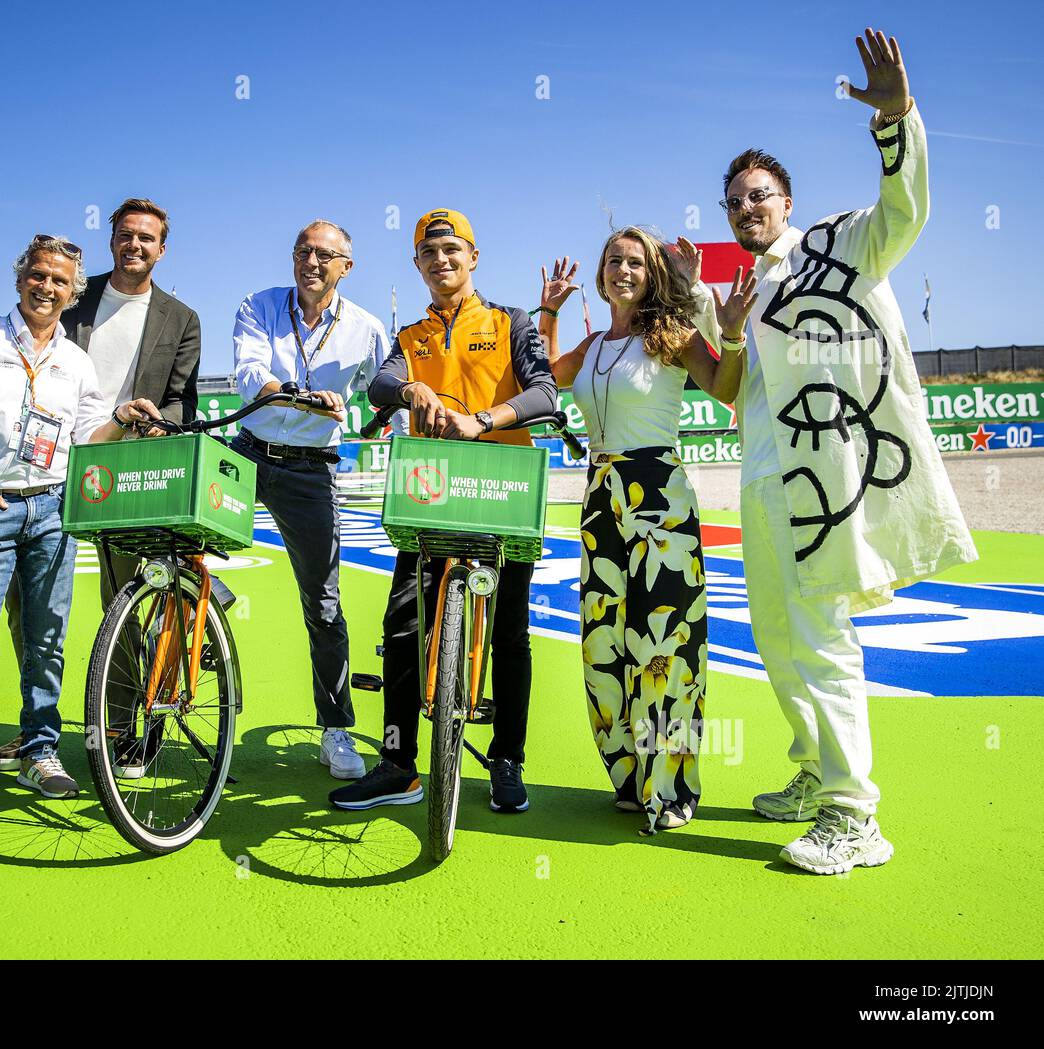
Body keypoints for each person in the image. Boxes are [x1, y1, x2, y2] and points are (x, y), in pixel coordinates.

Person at [696, 28, 976, 873]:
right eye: (736, 200)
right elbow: (730, 390)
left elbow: (906, 210)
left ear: (786, 201)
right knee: (777, 637)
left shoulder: (839, 243)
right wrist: (730, 333)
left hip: (831, 487)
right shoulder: (735, 291)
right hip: (761, 481)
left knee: (822, 639)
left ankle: (856, 818)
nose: (749, 208)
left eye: (761, 195)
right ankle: (816, 770)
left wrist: (896, 123)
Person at [0, 233, 162, 822]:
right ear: (21, 278)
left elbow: (89, 433)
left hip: (52, 511)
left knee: (47, 642)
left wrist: (122, 417)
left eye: (59, 281)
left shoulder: (75, 360)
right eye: (38, 275)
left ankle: (40, 748)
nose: (46, 287)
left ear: (74, 293)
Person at [330, 208, 558, 814]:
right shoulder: (411, 336)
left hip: (503, 489)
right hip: (429, 493)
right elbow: (378, 387)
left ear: (473, 257)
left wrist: (481, 420)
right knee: (402, 625)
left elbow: (543, 393)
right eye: (430, 254)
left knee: (510, 634)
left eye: (453, 250)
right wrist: (413, 389)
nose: (442, 261)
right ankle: (398, 766)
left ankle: (508, 760)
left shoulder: (511, 322)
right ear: (418, 265)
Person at [536, 230, 756, 834]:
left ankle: (674, 786)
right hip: (600, 497)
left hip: (659, 496)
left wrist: (731, 332)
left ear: (652, 273)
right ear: (602, 273)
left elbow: (725, 386)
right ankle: (631, 778)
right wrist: (549, 310)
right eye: (614, 261)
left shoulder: (672, 336)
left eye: (635, 262)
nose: (622, 270)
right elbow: (544, 384)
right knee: (605, 642)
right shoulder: (592, 345)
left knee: (666, 647)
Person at [0, 198, 202, 776]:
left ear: (162, 248)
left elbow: (183, 399)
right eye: (126, 235)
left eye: (147, 239)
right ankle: (39, 731)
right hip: (51, 464)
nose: (135, 246)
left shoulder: (181, 319)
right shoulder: (74, 295)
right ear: (112, 241)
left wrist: (158, 422)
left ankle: (122, 729)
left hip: (125, 471)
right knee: (30, 608)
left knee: (125, 602)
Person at [230, 220, 389, 778]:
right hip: (248, 449)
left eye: (325, 254)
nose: (312, 262)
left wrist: (385, 419)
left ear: (347, 265)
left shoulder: (367, 328)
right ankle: (209, 594)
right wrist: (297, 395)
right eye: (303, 251)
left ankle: (336, 729)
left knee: (323, 603)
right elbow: (249, 373)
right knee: (178, 545)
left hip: (311, 470)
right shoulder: (260, 303)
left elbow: (384, 385)